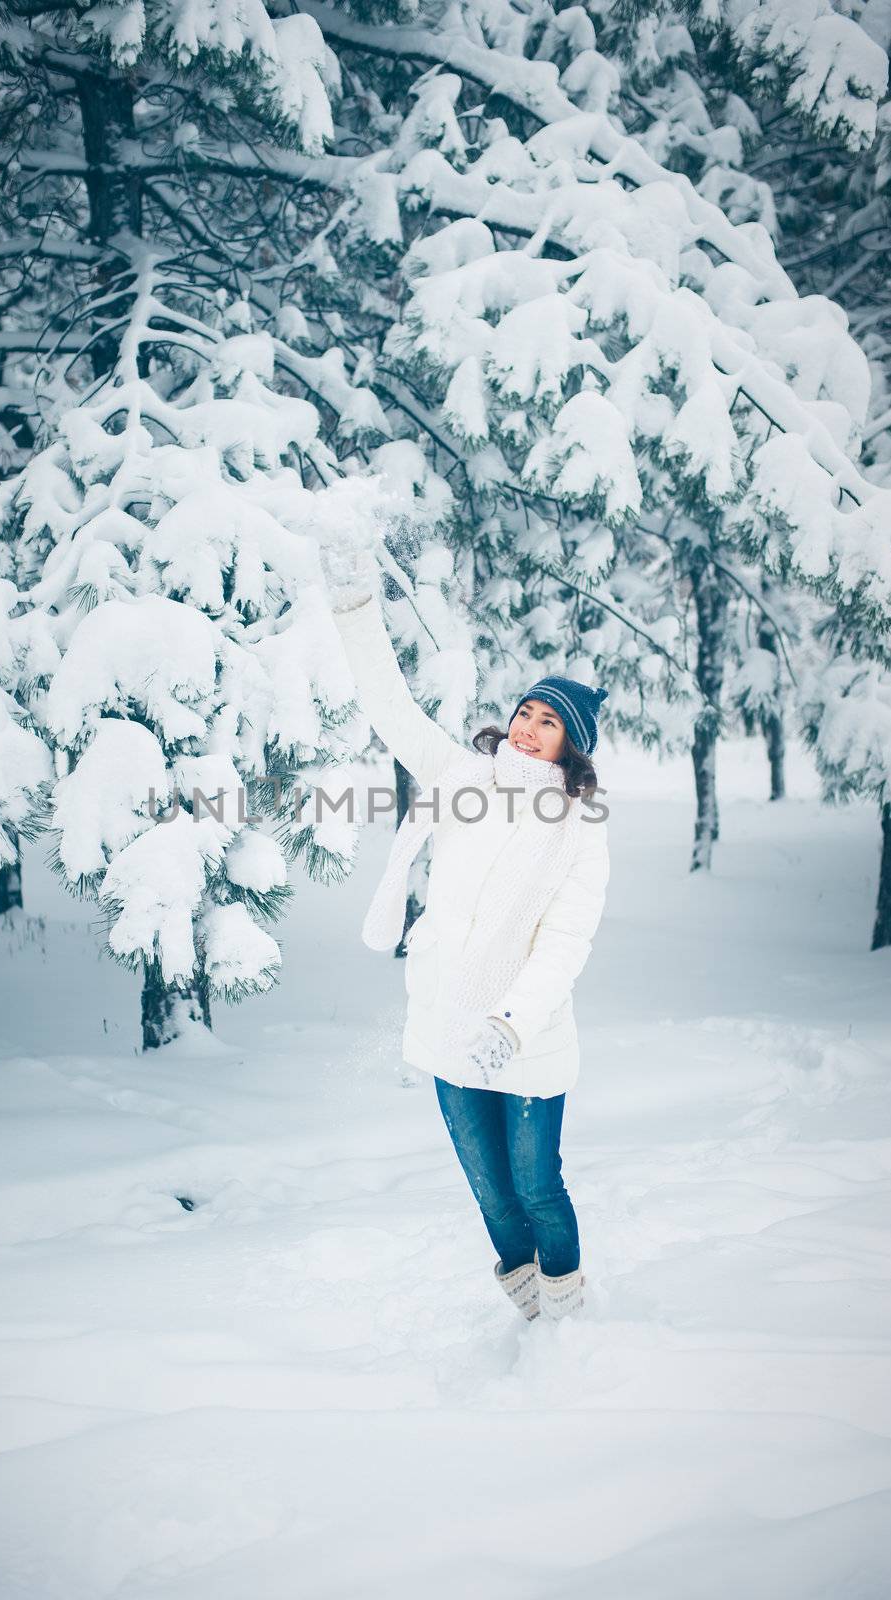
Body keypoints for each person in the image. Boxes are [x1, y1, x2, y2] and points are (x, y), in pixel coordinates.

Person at [318, 529, 611, 1327]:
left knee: (535, 1184)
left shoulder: (579, 828)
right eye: (523, 712)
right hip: (448, 1022)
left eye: (546, 723)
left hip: (526, 1036)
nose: (525, 727)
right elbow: (388, 705)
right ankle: (531, 1315)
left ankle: (569, 1319)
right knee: (487, 1189)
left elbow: (564, 942)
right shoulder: (461, 779)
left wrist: (511, 1025)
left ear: (570, 747)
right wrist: (352, 605)